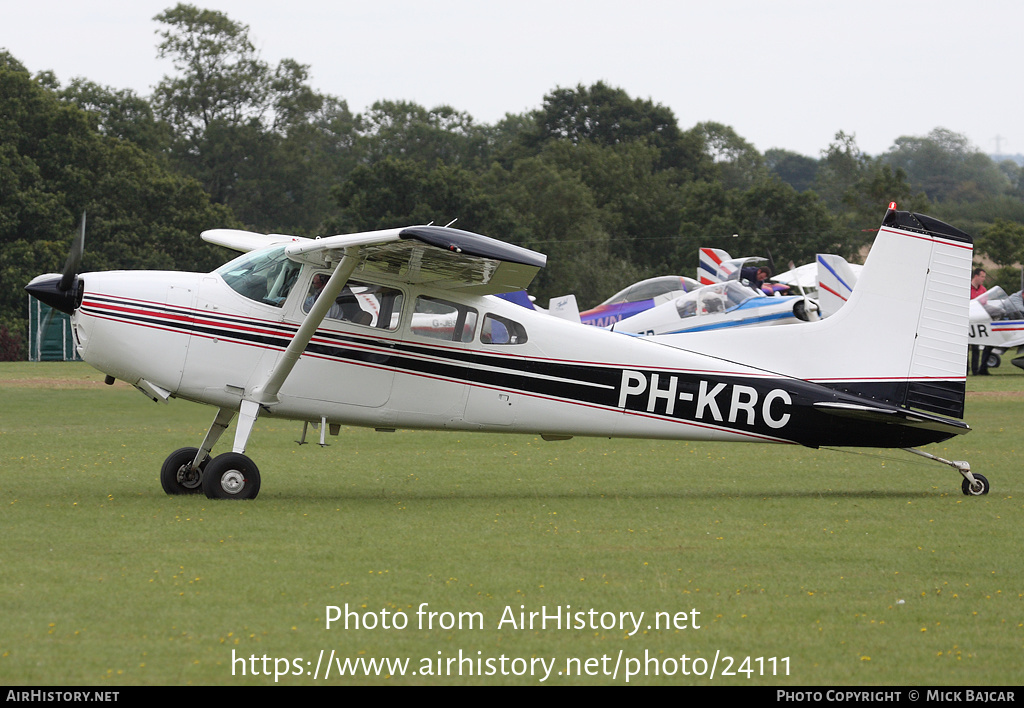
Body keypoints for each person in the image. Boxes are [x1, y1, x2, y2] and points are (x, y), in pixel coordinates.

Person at [969, 268, 991, 375]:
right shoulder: (967, 289)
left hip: (978, 322)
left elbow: (984, 305)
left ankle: (975, 370)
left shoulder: (983, 290)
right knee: (965, 348)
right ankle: (965, 370)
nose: (983, 279)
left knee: (976, 347)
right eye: (982, 276)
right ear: (976, 276)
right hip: (968, 321)